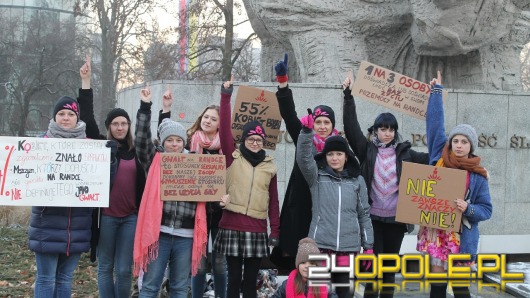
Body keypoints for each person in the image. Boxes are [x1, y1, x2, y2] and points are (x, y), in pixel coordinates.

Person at [132, 84, 229, 298]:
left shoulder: (196, 162)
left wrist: (221, 199)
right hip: (159, 233)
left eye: (178, 140)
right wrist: (145, 107)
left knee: (178, 288)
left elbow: (209, 191)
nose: (174, 144)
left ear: (183, 142)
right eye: (169, 140)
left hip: (186, 236)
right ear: (163, 142)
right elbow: (140, 140)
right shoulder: (155, 160)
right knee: (150, 287)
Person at [341, 74, 430, 298]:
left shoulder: (406, 153)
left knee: (389, 271)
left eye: (391, 129)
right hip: (372, 219)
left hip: (396, 221)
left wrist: (462, 158)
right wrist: (348, 96)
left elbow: (435, 159)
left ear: (395, 131)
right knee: (372, 270)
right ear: (376, 131)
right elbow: (351, 128)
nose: (387, 133)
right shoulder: (367, 150)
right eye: (382, 128)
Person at [29, 94, 117, 297]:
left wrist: (110, 161)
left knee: (65, 278)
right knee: (46, 278)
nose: (66, 117)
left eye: (70, 113)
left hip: (77, 225)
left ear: (77, 118)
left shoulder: (91, 146)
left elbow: (104, 185)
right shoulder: (39, 144)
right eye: (61, 113)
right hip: (47, 223)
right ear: (54, 117)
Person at [418, 71, 492, 298]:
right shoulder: (439, 159)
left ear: (471, 146)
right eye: (456, 141)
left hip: (462, 236)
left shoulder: (478, 175)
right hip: (436, 233)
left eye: (464, 142)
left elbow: (486, 210)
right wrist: (436, 93)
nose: (459, 145)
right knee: (437, 286)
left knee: (460, 288)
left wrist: (467, 208)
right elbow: (435, 125)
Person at [77, 55, 146, 298]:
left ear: (128, 126)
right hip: (105, 217)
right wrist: (86, 82)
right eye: (115, 123)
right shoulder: (102, 146)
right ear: (109, 127)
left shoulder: (137, 151)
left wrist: (146, 107)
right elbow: (86, 117)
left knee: (125, 269)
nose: (120, 127)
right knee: (105, 267)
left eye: (124, 123)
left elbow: (146, 133)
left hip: (130, 218)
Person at [271, 54, 340, 270]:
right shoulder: (304, 137)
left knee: (321, 269)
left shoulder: (338, 148)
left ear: (332, 125)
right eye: (318, 121)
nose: (321, 126)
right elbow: (289, 114)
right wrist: (283, 83)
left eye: (326, 122)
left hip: (325, 214)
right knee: (298, 266)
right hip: (300, 208)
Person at [213, 78, 280, 298]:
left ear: (264, 141)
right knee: (233, 281)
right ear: (243, 139)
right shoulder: (232, 157)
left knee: (251, 283)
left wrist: (275, 231)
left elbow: (273, 202)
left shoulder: (270, 166)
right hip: (232, 225)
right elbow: (223, 126)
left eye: (259, 139)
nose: (255, 142)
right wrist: (226, 96)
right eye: (251, 138)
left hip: (257, 228)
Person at [296, 119, 374, 298]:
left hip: (349, 249)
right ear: (325, 156)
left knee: (345, 294)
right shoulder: (316, 177)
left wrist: (368, 246)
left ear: (346, 156)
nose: (334, 158)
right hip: (320, 248)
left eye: (339, 154)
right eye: (330, 154)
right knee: (319, 294)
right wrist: (306, 133)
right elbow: (303, 158)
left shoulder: (357, 181)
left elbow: (364, 215)